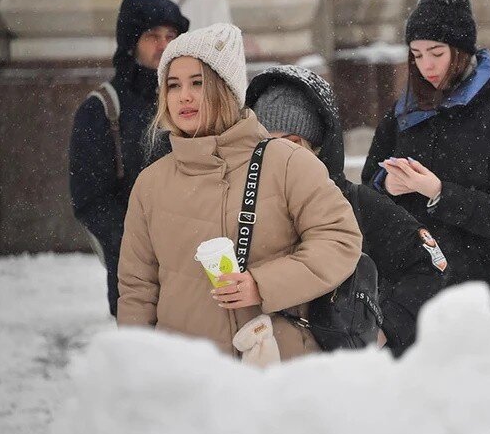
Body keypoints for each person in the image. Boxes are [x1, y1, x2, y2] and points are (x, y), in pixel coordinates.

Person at [117, 23, 362, 361]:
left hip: (277, 367)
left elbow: (339, 240)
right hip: (187, 373)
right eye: (173, 85)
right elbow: (137, 290)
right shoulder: (151, 184)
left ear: (226, 88)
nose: (184, 96)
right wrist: (134, 364)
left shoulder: (287, 162)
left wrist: (262, 284)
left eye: (198, 83)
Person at [361, 0, 490, 314]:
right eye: (416, 55)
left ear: (461, 52)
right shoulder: (402, 114)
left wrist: (440, 193)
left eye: (436, 53)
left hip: (487, 294)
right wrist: (386, 186)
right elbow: (368, 190)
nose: (426, 65)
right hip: (412, 296)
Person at [246, 65, 447, 357]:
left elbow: (431, 265)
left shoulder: (357, 204)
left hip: (347, 371)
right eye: (268, 145)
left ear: (318, 146)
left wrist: (383, 330)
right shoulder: (239, 208)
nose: (283, 157)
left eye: (293, 144)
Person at [69, 0, 189, 316]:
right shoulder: (102, 109)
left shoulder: (192, 100)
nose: (164, 45)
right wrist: (137, 247)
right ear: (131, 43)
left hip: (196, 270)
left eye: (171, 36)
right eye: (152, 36)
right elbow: (91, 200)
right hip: (134, 276)